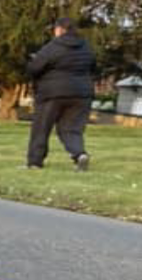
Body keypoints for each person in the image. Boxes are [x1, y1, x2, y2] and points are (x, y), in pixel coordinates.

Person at [26, 17, 96, 171]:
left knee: (41, 128)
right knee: (71, 128)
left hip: (52, 93)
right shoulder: (86, 47)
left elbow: (34, 68)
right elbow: (94, 66)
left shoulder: (53, 46)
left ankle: (35, 162)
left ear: (59, 29)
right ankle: (79, 154)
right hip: (82, 93)